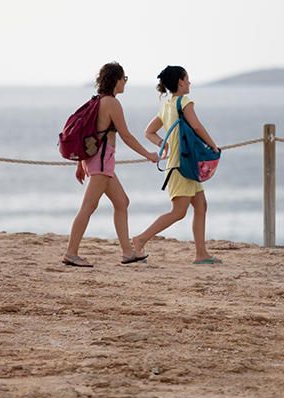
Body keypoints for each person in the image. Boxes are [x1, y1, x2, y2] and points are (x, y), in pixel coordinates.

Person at [63, 62, 159, 268]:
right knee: (88, 207)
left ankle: (127, 252)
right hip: (102, 162)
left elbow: (90, 132)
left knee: (122, 202)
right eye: (124, 78)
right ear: (116, 80)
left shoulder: (97, 101)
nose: (125, 82)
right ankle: (71, 253)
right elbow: (126, 136)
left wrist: (81, 164)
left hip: (96, 161)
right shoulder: (112, 104)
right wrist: (148, 154)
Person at [132, 66, 222, 264]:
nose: (189, 82)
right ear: (180, 82)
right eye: (187, 79)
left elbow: (149, 131)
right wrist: (213, 145)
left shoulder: (167, 105)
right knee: (178, 212)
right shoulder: (184, 101)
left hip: (182, 163)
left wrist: (165, 147)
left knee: (201, 206)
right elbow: (197, 126)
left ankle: (201, 254)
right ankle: (140, 240)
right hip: (183, 166)